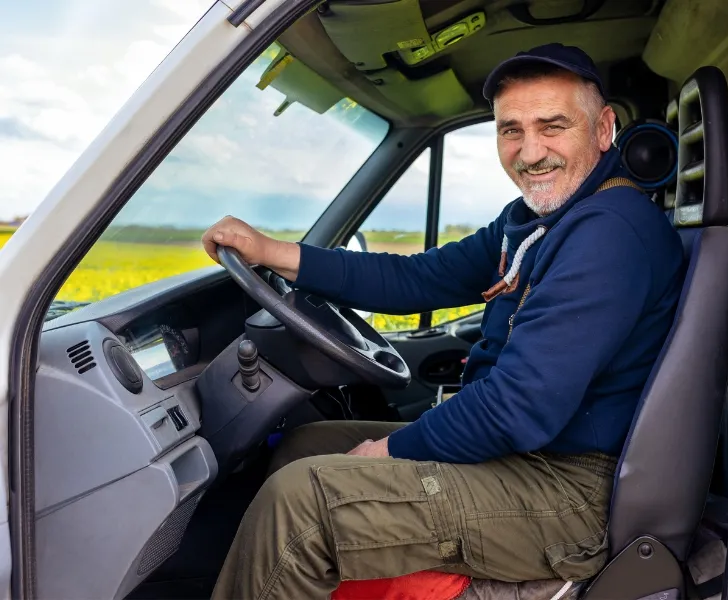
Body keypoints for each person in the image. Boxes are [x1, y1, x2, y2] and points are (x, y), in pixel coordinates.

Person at [203, 43, 684, 599]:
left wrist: (392, 450)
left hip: (571, 493)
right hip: (529, 458)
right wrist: (274, 251)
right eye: (510, 131)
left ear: (604, 129)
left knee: (302, 504)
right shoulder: (537, 221)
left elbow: (518, 406)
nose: (531, 152)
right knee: (308, 445)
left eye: (553, 127)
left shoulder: (608, 234)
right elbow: (420, 280)